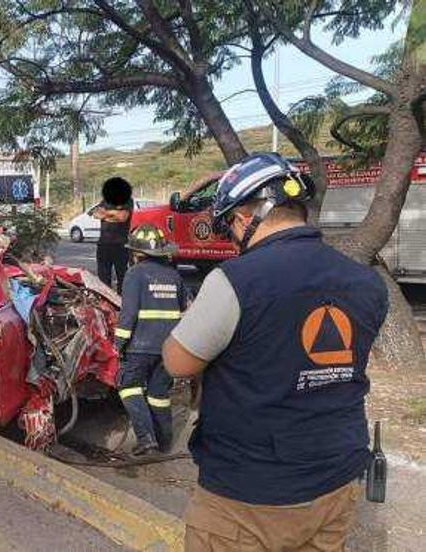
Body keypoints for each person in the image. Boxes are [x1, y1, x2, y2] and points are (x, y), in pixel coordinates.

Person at [162, 153, 388, 551]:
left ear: (247, 216)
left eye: (229, 224)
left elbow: (177, 361)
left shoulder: (235, 280)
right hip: (335, 480)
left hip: (248, 497)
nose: (231, 237)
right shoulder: (366, 281)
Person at [114, 224, 185, 456]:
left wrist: (118, 345)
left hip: (139, 348)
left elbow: (128, 314)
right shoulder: (175, 276)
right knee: (158, 394)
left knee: (128, 387)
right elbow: (184, 310)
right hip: (168, 349)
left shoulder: (135, 274)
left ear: (136, 253)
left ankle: (146, 440)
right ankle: (164, 442)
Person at [92, 176, 134, 293]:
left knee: (122, 277)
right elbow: (95, 214)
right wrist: (113, 214)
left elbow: (122, 217)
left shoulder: (127, 201)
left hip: (120, 245)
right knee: (103, 279)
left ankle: (121, 303)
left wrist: (106, 214)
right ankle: (106, 304)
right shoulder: (105, 201)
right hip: (103, 245)